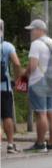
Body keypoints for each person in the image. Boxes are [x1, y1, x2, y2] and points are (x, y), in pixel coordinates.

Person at [24, 19, 52, 153]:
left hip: (38, 81)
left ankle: (40, 144)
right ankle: (51, 143)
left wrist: (24, 74)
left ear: (40, 30)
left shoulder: (36, 44)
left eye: (33, 29)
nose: (31, 32)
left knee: (41, 114)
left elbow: (33, 66)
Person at [1, 19, 24, 154]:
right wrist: (16, 79)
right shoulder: (7, 46)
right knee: (7, 116)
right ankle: (10, 144)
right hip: (4, 87)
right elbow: (16, 63)